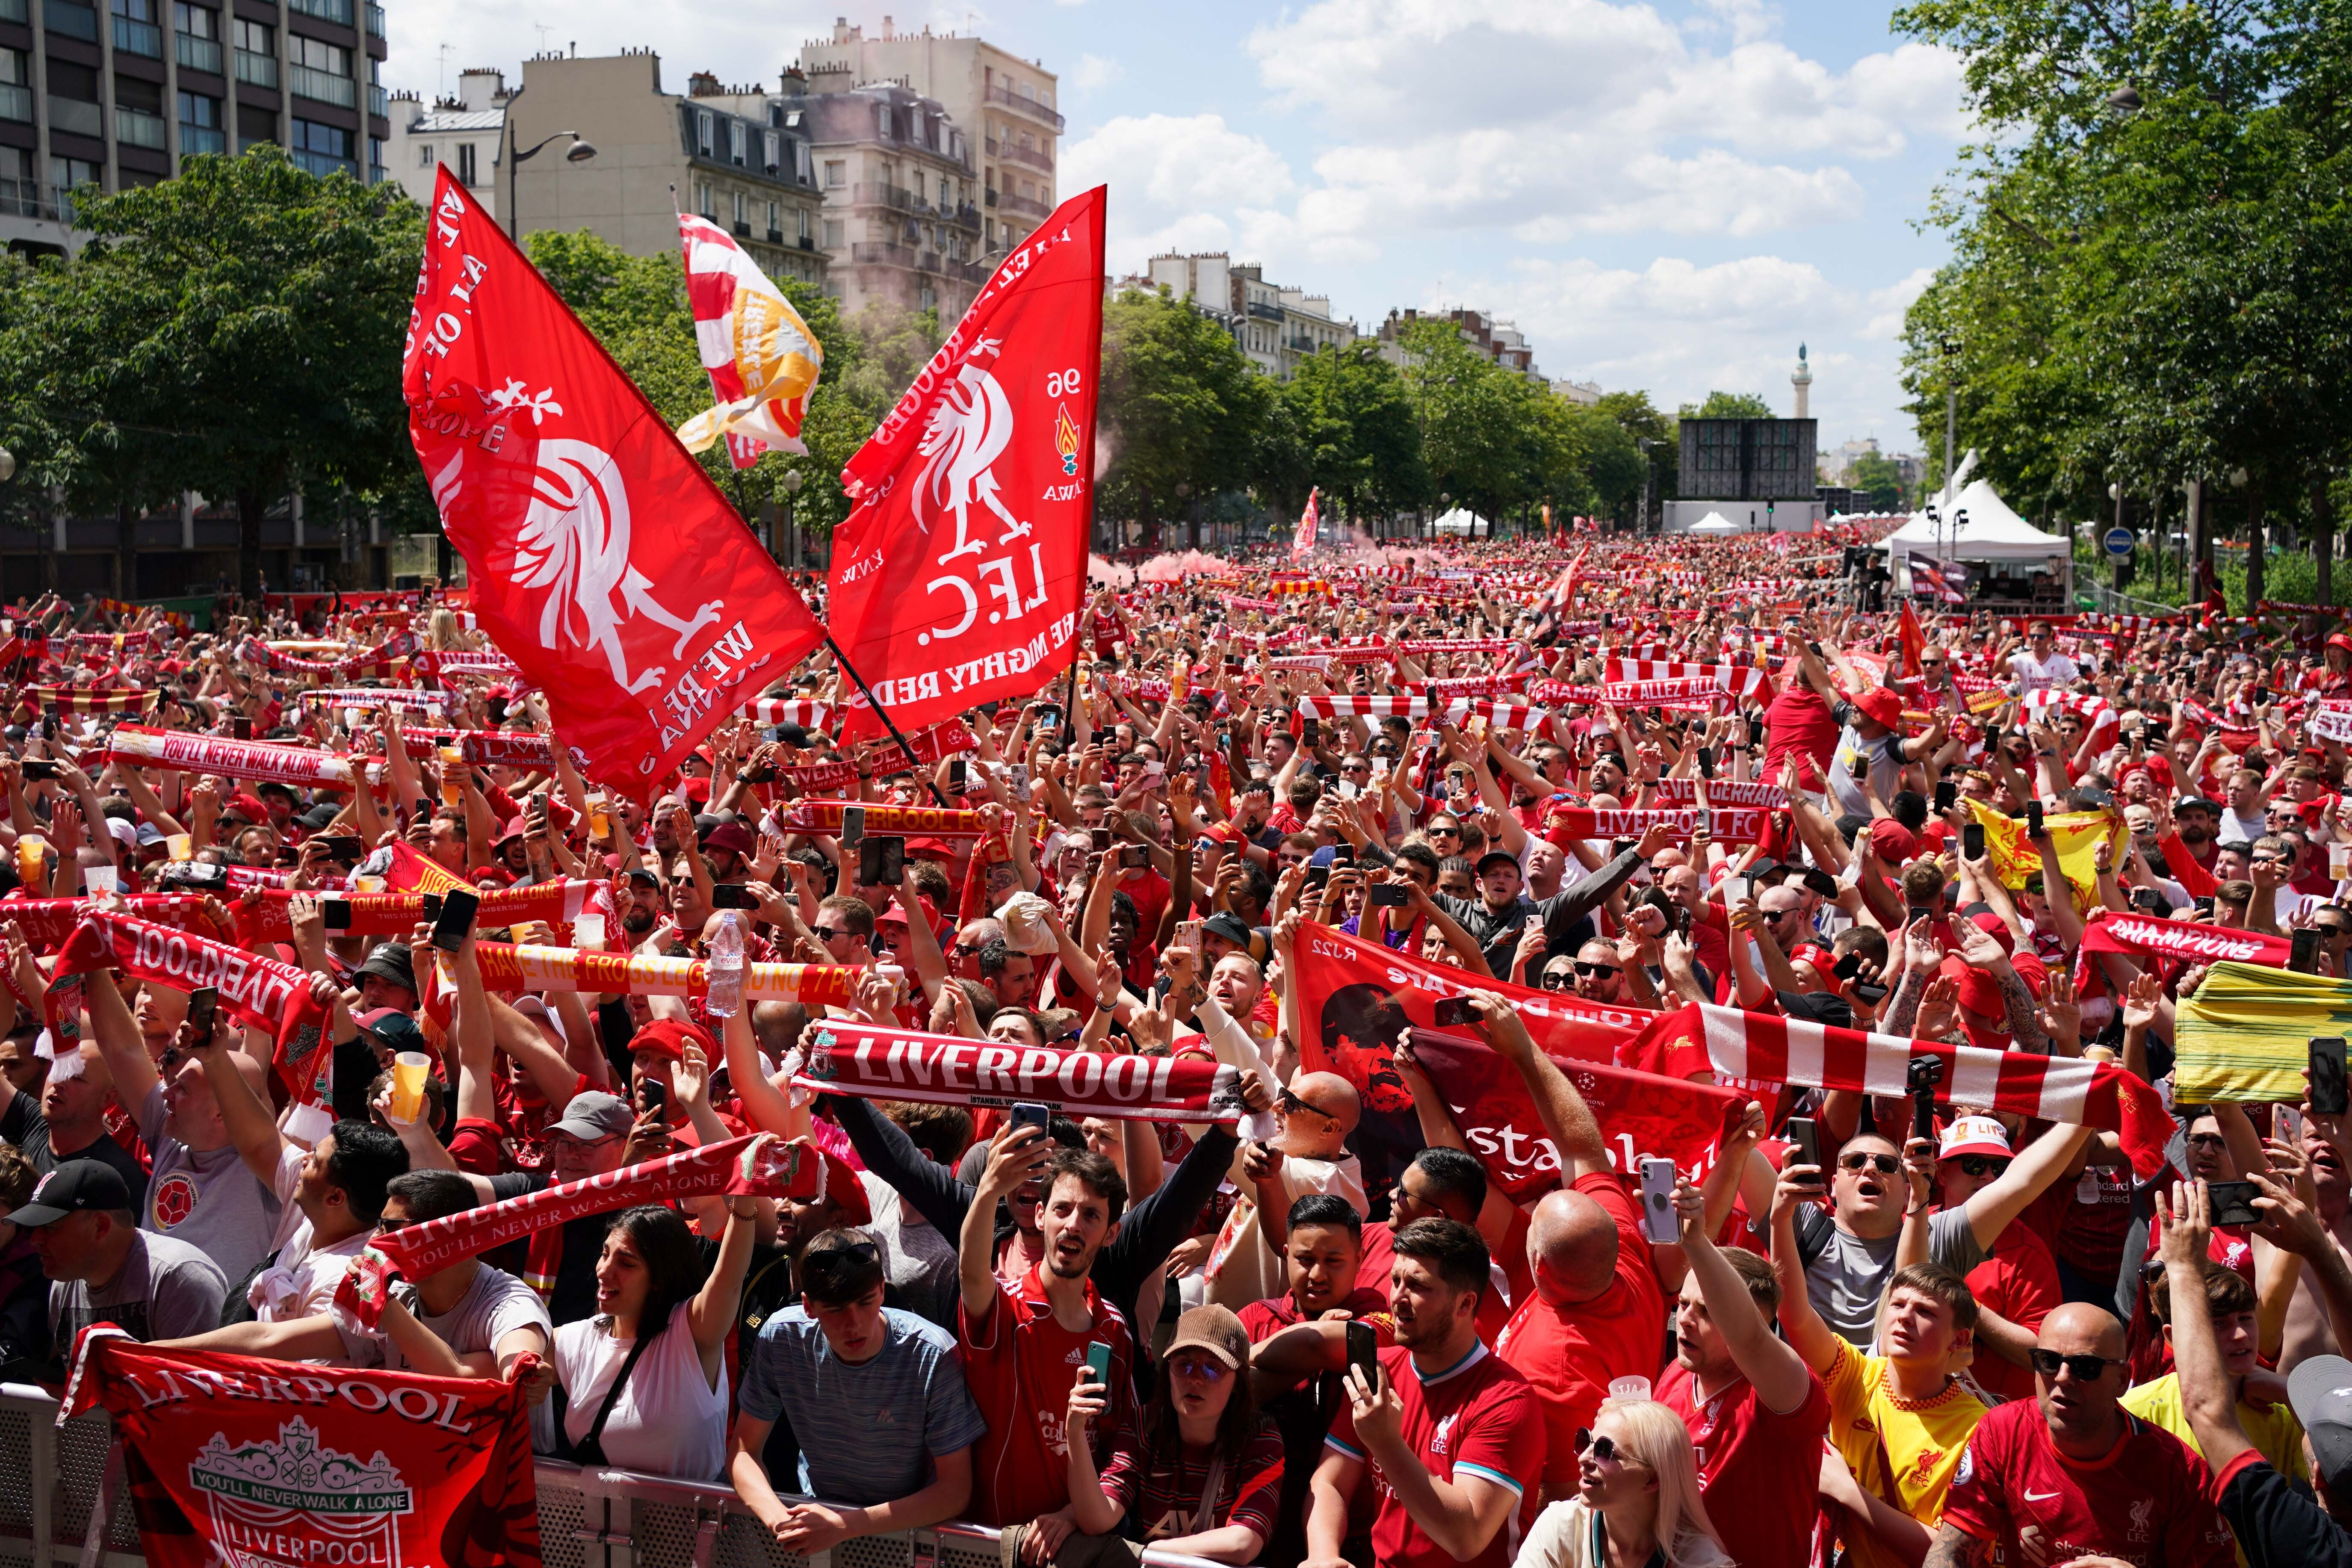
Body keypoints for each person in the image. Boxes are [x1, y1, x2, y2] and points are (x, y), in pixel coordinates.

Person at [1474, 993, 1664, 1505]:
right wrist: (1524, 1052)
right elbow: (1581, 1146)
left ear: (1537, 1264)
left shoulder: (1553, 1373)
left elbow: (1560, 1496)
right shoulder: (1621, 1252)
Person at [1773, 1144, 1986, 1568]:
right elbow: (1795, 1316)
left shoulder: (1978, 1429)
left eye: (1925, 1312)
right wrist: (1780, 1218)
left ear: (1958, 1338)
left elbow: (1953, 1557)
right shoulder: (1855, 1375)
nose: (1905, 1318)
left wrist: (1849, 1493)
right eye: (1898, 1305)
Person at [1289, 1217, 1544, 1568]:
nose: (1397, 1298)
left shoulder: (1505, 1401)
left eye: (1417, 1285)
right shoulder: (1378, 1369)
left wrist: (1386, 1443)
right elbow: (1330, 1481)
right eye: (1396, 1280)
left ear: (1465, 1304)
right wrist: (1322, 1553)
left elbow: (1465, 1537)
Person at [729, 1228, 985, 1551]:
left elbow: (955, 1491)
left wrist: (843, 1526)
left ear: (882, 1291)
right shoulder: (781, 1338)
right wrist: (784, 1523)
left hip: (912, 1535)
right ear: (808, 1305)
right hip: (819, 1526)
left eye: (865, 1303)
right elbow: (742, 1452)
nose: (854, 1324)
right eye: (835, 1309)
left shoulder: (932, 1354)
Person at [1926, 1300, 2234, 1568]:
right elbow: (1950, 1551)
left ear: (2122, 1379)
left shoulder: (2180, 1470)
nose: (2062, 1377)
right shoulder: (2002, 1431)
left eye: (2085, 1366)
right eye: (2047, 1361)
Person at [956, 1126, 1142, 1533]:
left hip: (1071, 1545)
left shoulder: (1114, 1329)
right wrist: (988, 1190)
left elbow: (1124, 1445)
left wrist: (1075, 1514)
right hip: (991, 1545)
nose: (1073, 1225)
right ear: (1040, 1216)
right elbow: (971, 1273)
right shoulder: (1004, 1307)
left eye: (1091, 1215)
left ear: (1112, 1233)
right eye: (1062, 1209)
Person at [2156, 1180, 2352, 1566]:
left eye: (2247, 1318)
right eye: (2220, 1323)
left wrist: (2181, 1266)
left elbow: (2209, 1414)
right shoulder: (2138, 1407)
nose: (2242, 1334)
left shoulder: (2309, 1545)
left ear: (2317, 1482)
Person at [1655, 1165, 1829, 1568]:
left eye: (1707, 1310)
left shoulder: (1783, 1392)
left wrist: (1698, 1242)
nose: (1684, 1319)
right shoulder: (1677, 1374)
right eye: (1682, 1305)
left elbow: (1748, 1339)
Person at [1056, 1305, 1286, 1565]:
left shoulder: (1261, 1438)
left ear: (1238, 1383)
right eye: (1184, 1364)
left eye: (1213, 1368)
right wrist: (1074, 1430)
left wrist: (1150, 1553)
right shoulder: (1142, 1426)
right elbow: (1097, 1519)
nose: (1196, 1379)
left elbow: (1244, 1542)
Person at [547, 1200, 755, 1482]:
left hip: (685, 1524)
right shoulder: (581, 1337)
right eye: (605, 1253)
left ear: (659, 1277)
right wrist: (523, 1368)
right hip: (591, 1524)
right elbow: (519, 1343)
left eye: (626, 1262)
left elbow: (729, 1277)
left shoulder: (691, 1333)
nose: (604, 1271)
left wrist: (746, 1201)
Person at [20, 1160, 226, 1352]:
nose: (35, 1239)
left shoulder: (179, 1278)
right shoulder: (64, 1284)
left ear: (100, 1226)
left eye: (51, 1227)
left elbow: (205, 1384)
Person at [1512, 1399, 1734, 1568]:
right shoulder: (1559, 1528)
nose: (1583, 1459)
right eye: (1585, 1441)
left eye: (1604, 1451)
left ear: (1652, 1479)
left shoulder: (1703, 1563)